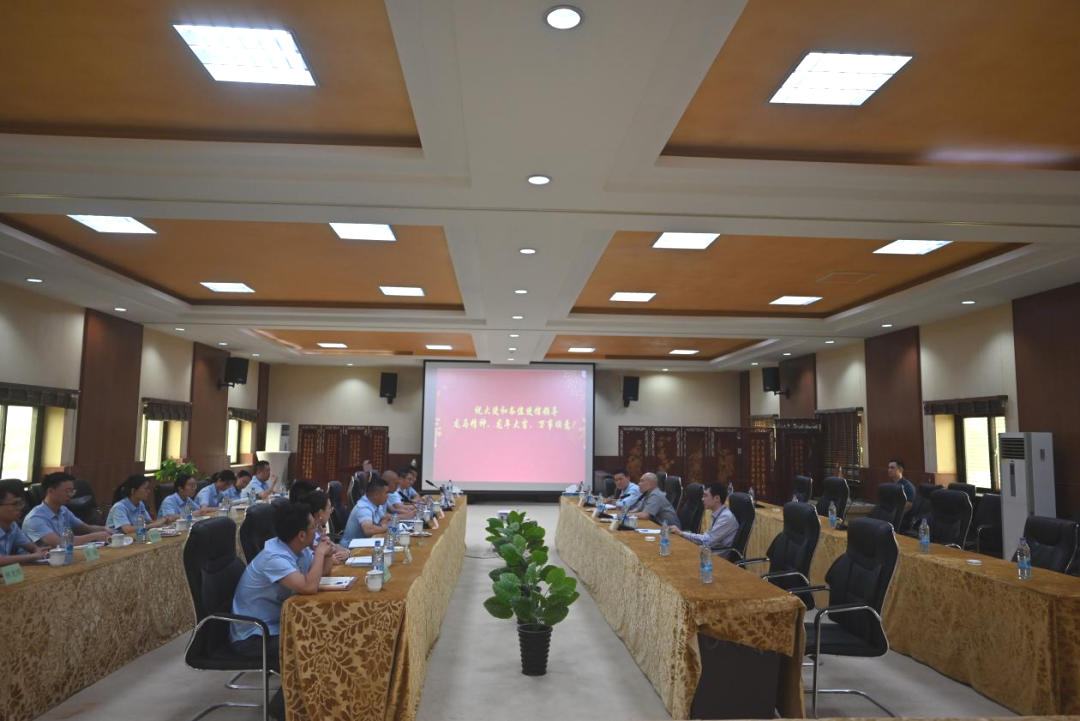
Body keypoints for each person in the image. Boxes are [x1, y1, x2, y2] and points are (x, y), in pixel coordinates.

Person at [230, 502, 334, 720]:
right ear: (301, 535)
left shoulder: (297, 548)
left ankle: (316, 702)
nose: (318, 530)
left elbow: (321, 575)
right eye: (314, 527)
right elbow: (309, 587)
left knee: (324, 634)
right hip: (253, 635)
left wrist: (325, 553)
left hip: (276, 624)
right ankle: (283, 709)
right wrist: (319, 554)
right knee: (310, 645)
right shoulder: (274, 557)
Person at [22, 472, 112, 546]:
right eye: (67, 491)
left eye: (72, 491)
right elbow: (59, 543)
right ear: (50, 491)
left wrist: (104, 529)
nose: (70, 495)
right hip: (37, 561)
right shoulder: (34, 518)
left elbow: (86, 528)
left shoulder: (63, 511)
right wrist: (94, 536)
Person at [672, 483, 738, 551]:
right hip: (708, 550)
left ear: (717, 498)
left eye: (705, 496)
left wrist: (682, 533)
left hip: (717, 555)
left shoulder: (726, 517)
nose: (702, 499)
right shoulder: (717, 513)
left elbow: (707, 540)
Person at [0, 479, 50, 564]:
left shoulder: (12, 526)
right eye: (15, 504)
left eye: (21, 503)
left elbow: (32, 548)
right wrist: (34, 556)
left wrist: (40, 551)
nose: (20, 508)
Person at [294, 488, 349, 564]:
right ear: (320, 513)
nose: (331, 510)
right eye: (329, 507)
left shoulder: (319, 529)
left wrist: (347, 553)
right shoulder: (310, 533)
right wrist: (344, 554)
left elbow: (336, 549)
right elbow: (334, 560)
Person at [107, 475, 179, 532]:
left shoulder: (140, 504)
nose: (148, 491)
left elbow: (149, 522)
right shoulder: (119, 507)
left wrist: (164, 519)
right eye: (145, 488)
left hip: (134, 538)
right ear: (133, 491)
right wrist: (155, 524)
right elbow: (128, 530)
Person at [342, 476, 392, 545]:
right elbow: (369, 530)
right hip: (351, 547)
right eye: (386, 493)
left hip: (365, 542)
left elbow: (385, 518)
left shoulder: (375, 503)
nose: (388, 496)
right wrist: (389, 527)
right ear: (376, 495)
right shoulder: (363, 507)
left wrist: (382, 526)